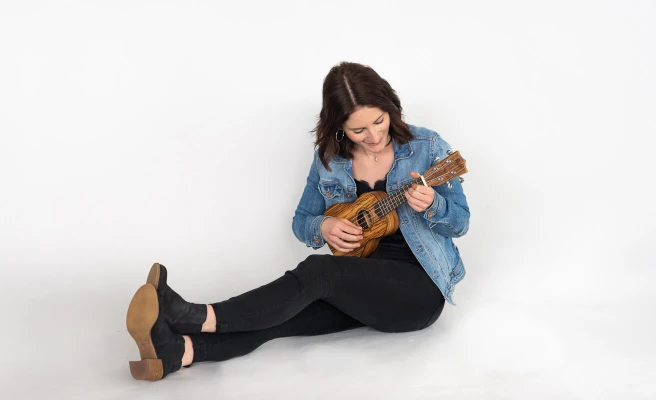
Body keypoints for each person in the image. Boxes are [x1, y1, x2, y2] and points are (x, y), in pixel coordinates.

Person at [125, 61, 470, 381]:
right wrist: (323, 227)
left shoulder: (427, 147)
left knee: (317, 273)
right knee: (283, 315)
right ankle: (179, 353)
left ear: (390, 108)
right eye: (358, 130)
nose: (374, 136)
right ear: (339, 127)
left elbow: (461, 222)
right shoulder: (330, 160)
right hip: (359, 281)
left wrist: (433, 205)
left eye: (379, 121)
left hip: (417, 291)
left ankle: (197, 316)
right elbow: (302, 220)